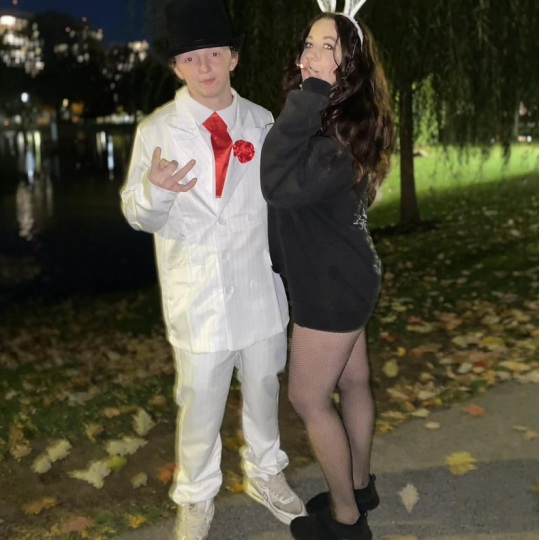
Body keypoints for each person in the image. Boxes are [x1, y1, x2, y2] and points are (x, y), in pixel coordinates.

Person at [120, 0, 306, 538]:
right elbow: (136, 213)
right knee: (199, 401)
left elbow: (284, 199)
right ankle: (196, 495)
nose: (204, 67)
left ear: (234, 58)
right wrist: (156, 191)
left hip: (259, 287)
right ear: (177, 67)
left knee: (264, 387)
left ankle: (265, 472)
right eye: (190, 58)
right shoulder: (157, 130)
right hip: (198, 295)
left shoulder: (263, 122)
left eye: (214, 54)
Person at [260, 8, 395, 540]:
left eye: (327, 47)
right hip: (349, 274)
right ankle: (358, 487)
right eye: (308, 44)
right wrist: (313, 94)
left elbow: (275, 180)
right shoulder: (345, 119)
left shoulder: (334, 131)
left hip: (330, 286)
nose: (311, 55)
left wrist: (309, 92)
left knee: (308, 399)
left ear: (350, 63)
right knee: (354, 380)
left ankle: (346, 520)